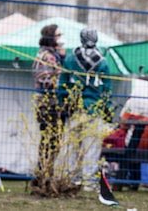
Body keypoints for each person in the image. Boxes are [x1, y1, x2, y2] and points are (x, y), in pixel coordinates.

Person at [58, 28, 117, 205]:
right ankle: (89, 182)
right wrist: (106, 106)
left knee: (72, 146)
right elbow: (107, 88)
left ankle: (72, 177)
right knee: (91, 148)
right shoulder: (103, 62)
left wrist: (62, 101)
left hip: (74, 108)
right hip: (94, 110)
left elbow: (63, 83)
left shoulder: (70, 58)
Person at [31, 24, 65, 187]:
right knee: (50, 139)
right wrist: (61, 84)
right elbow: (45, 79)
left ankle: (44, 173)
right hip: (47, 101)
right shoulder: (48, 56)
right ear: (52, 38)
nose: (61, 39)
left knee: (50, 139)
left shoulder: (52, 55)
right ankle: (42, 174)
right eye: (58, 35)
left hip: (48, 100)